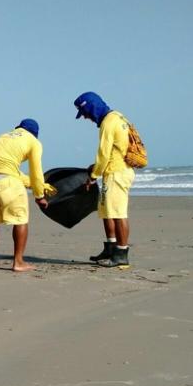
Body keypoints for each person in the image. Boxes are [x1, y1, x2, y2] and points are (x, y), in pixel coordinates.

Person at [0, 119, 49, 272]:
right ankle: (18, 262)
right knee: (21, 220)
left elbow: (10, 170)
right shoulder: (33, 142)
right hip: (8, 183)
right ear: (35, 134)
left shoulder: (3, 136)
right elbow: (36, 172)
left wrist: (36, 185)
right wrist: (39, 195)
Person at [74, 92, 134, 267]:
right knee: (106, 212)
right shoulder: (119, 117)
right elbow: (117, 150)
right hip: (116, 170)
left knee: (117, 213)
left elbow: (104, 153)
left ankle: (121, 253)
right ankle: (111, 248)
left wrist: (93, 176)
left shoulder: (108, 122)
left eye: (85, 113)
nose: (86, 118)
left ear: (91, 106)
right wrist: (97, 168)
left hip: (117, 172)